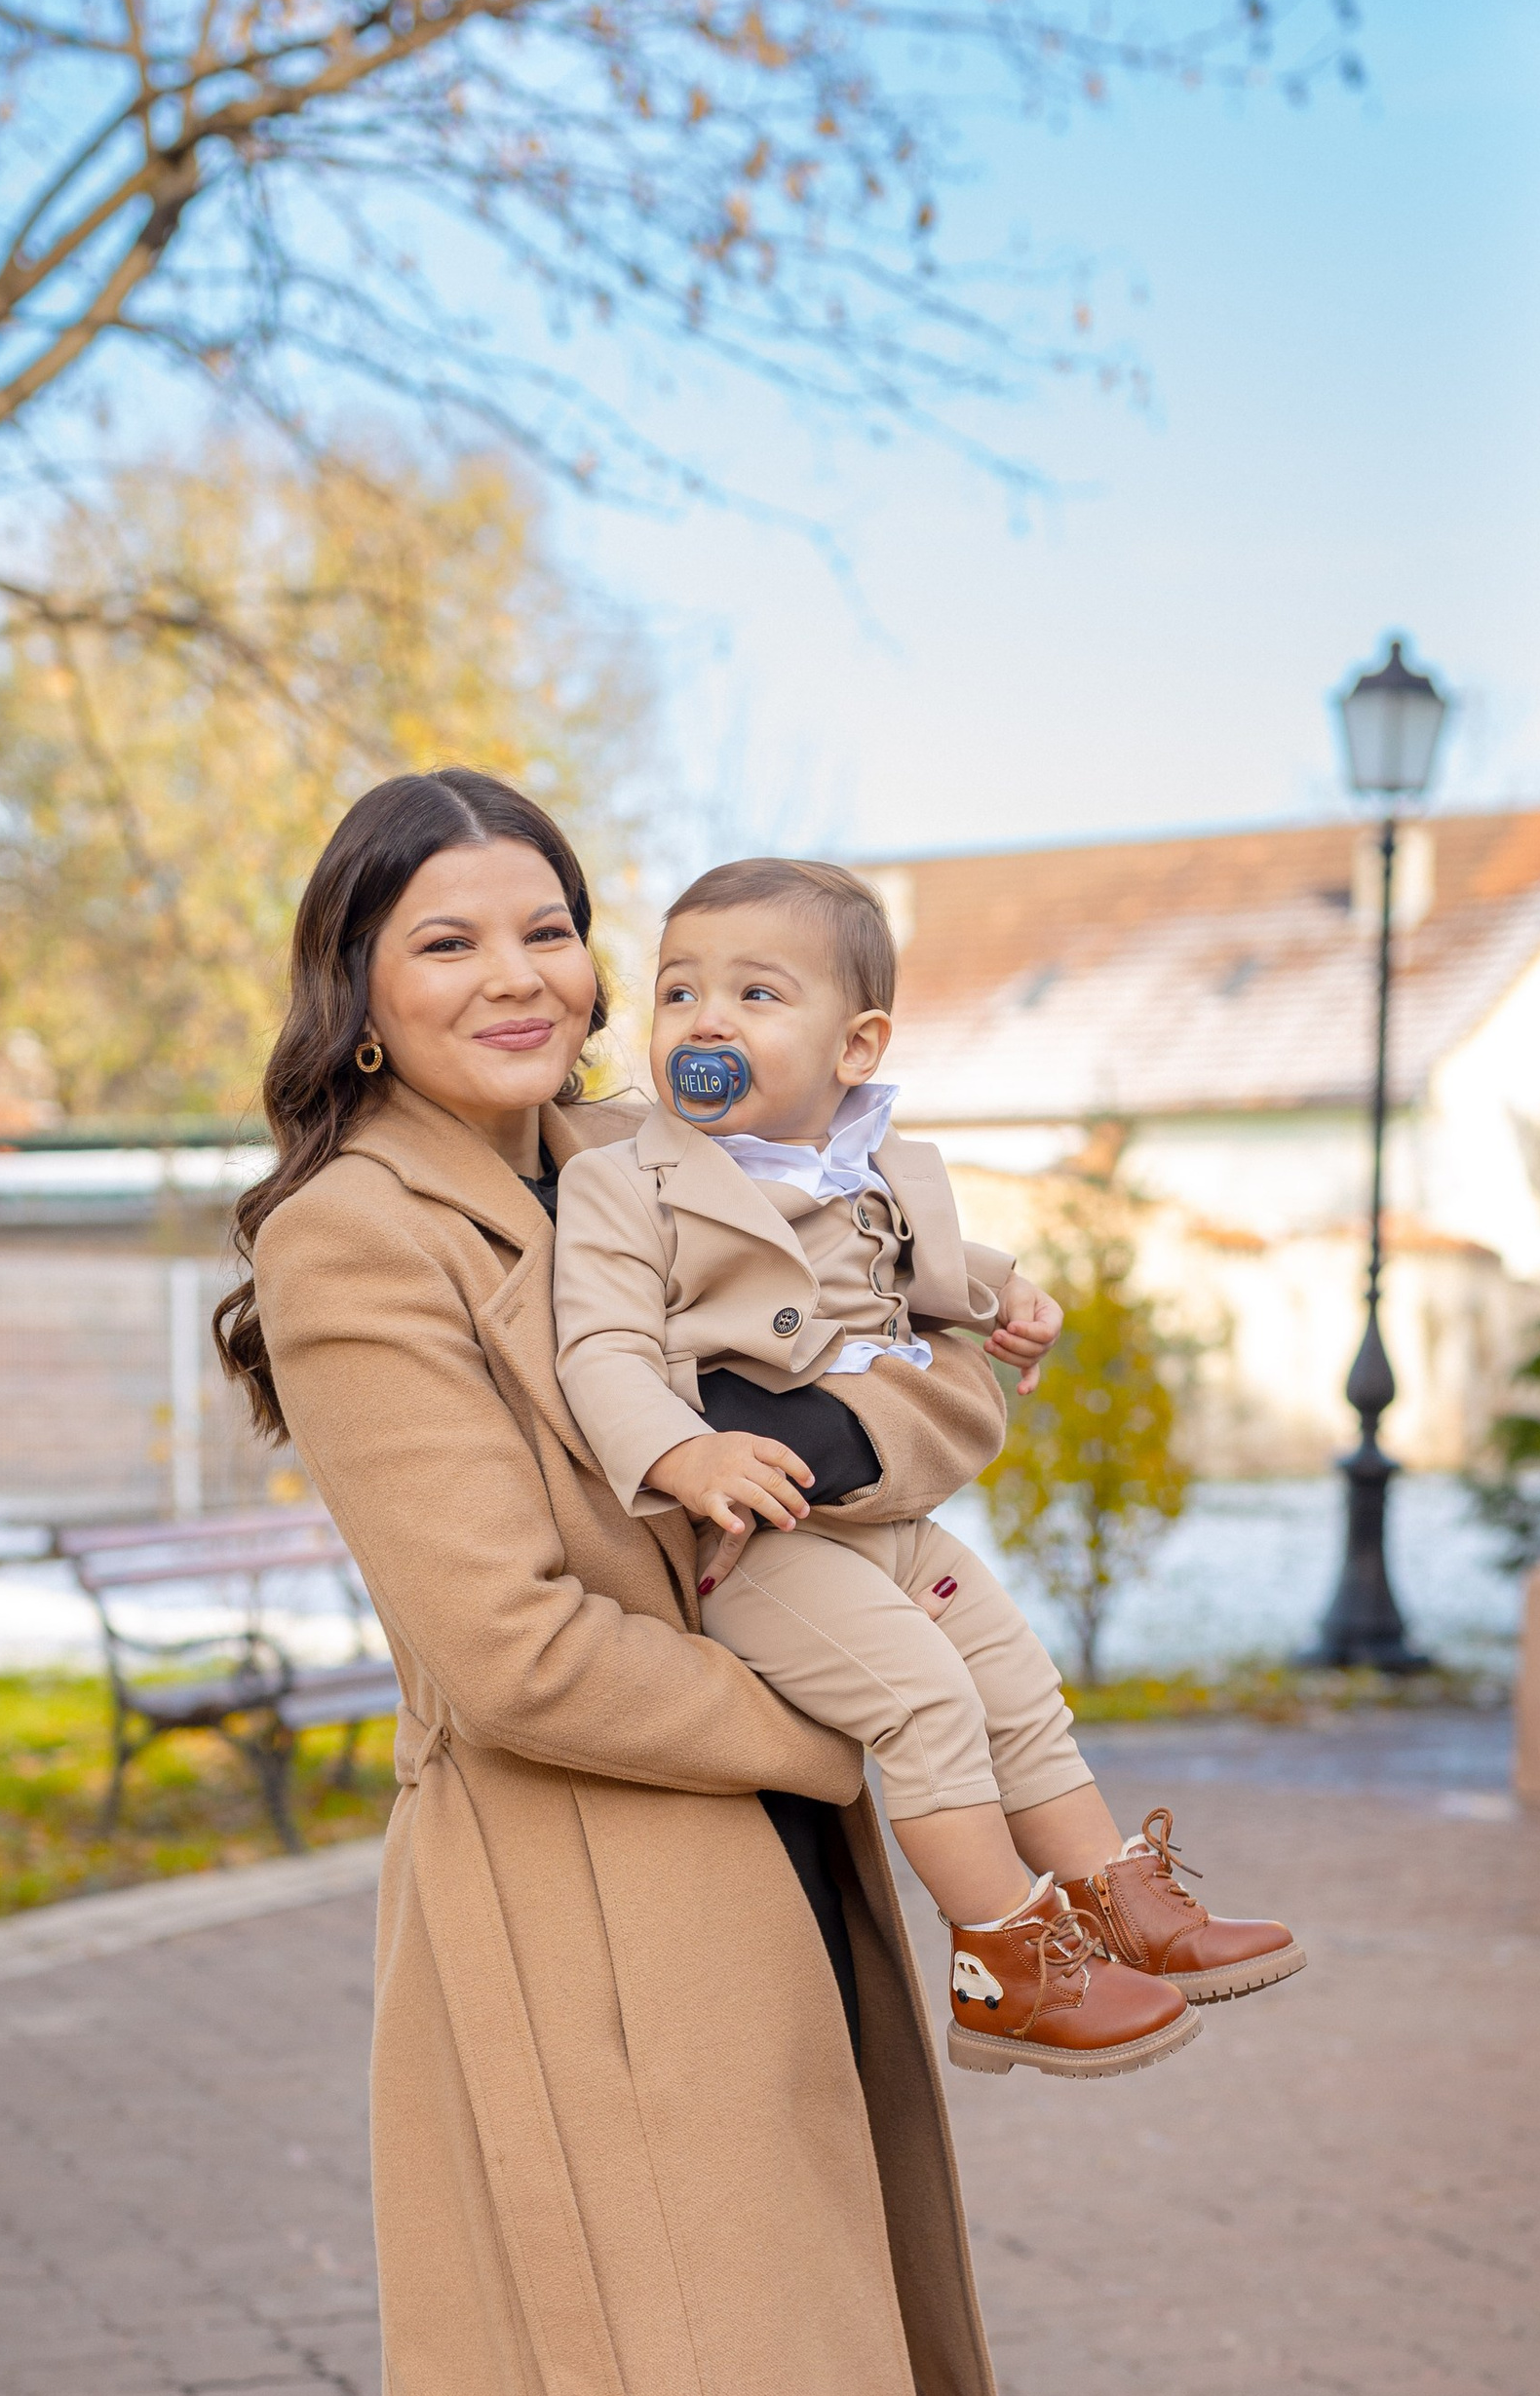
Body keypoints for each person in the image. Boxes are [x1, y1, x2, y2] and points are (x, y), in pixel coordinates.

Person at [214, 767, 1033, 2396]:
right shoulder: (359, 1244)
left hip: (747, 1922)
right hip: (568, 1930)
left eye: (550, 931)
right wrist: (874, 1744)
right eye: (448, 942)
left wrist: (846, 1437)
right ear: (357, 978)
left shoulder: (658, 1166)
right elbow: (520, 1656)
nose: (519, 981)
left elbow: (903, 1413)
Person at [552, 856, 1303, 2074]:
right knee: (926, 1702)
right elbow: (599, 1348)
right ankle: (1003, 1961)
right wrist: (683, 1454)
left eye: (753, 995)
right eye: (678, 991)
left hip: (888, 1525)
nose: (704, 1021)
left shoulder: (878, 1164)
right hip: (764, 1542)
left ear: (855, 1046)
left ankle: (1120, 1906)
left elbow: (930, 1264)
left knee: (1014, 1683)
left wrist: (1014, 1295)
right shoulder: (623, 1183)